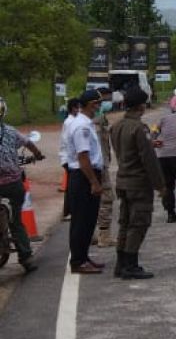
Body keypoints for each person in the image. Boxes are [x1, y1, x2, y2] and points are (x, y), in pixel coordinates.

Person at [109, 87, 166, 280]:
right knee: (139, 223)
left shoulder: (116, 126)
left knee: (124, 223)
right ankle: (130, 264)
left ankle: (120, 263)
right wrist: (160, 185)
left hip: (123, 180)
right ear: (142, 106)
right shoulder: (139, 128)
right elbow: (149, 160)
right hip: (138, 183)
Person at [0, 96, 46, 273]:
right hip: (12, 184)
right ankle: (26, 258)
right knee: (16, 221)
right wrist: (38, 154)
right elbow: (29, 143)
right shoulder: (11, 132)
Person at [65, 89, 106, 273]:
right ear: (91, 104)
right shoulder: (81, 126)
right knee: (82, 221)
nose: (100, 106)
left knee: (88, 220)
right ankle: (78, 262)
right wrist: (94, 182)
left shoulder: (84, 123)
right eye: (98, 103)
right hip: (84, 177)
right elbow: (83, 157)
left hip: (86, 175)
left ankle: (83, 257)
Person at [93, 87, 117, 247]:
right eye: (105, 100)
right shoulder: (97, 121)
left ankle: (91, 234)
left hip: (89, 166)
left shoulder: (79, 120)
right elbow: (101, 147)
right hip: (99, 166)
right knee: (107, 199)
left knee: (91, 201)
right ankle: (104, 235)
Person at [58, 97, 81, 222]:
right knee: (72, 187)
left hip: (68, 158)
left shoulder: (72, 120)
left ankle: (68, 211)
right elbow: (68, 141)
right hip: (69, 158)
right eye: (79, 107)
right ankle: (70, 211)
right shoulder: (70, 122)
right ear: (73, 108)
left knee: (70, 186)